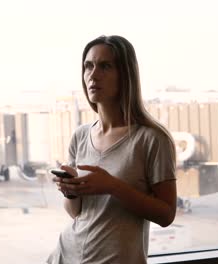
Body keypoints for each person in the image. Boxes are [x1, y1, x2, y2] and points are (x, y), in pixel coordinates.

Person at [47, 35, 177, 264]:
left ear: (125, 75)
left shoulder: (151, 139)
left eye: (105, 66)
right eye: (88, 66)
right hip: (66, 255)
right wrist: (70, 190)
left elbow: (166, 215)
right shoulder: (80, 135)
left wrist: (113, 186)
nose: (93, 75)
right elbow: (76, 213)